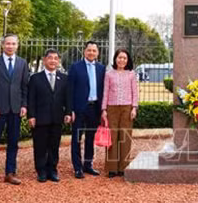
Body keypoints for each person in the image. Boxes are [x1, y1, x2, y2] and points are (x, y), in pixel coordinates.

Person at [0, 34, 30, 186]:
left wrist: (24, 105)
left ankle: (10, 172)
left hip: (15, 109)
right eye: (8, 43)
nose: (10, 46)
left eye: (13, 44)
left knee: (13, 142)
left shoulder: (22, 63)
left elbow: (25, 86)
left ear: (17, 45)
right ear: (3, 45)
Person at [28, 48, 72, 183]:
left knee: (54, 146)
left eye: (56, 58)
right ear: (44, 60)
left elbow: (68, 98)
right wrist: (31, 116)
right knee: (40, 146)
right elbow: (31, 99)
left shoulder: (64, 78)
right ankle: (41, 171)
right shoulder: (35, 78)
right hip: (40, 118)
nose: (53, 61)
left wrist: (68, 112)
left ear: (58, 61)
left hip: (57, 118)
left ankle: (52, 170)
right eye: (50, 58)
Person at [68, 40, 106, 179]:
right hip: (79, 109)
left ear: (97, 53)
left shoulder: (101, 68)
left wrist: (103, 109)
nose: (91, 53)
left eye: (94, 50)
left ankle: (88, 165)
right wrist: (70, 110)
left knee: (90, 137)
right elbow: (70, 90)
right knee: (77, 138)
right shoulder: (75, 67)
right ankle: (77, 167)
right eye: (89, 50)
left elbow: (103, 89)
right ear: (84, 51)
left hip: (94, 108)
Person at [101, 48, 139, 178]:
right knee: (112, 138)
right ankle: (112, 168)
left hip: (127, 108)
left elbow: (135, 92)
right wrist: (104, 110)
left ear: (127, 60)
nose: (122, 60)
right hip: (111, 108)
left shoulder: (131, 74)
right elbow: (105, 92)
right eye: (119, 57)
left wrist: (134, 108)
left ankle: (123, 167)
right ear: (115, 59)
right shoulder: (109, 74)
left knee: (125, 137)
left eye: (124, 58)